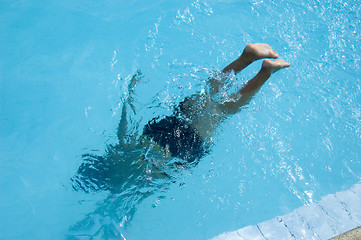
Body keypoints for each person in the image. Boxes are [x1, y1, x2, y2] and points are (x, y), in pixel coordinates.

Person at [72, 43, 290, 193]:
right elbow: (125, 125)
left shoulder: (132, 183)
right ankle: (246, 57)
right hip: (159, 130)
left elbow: (166, 176)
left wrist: (182, 169)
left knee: (225, 110)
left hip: (179, 148)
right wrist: (129, 95)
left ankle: (266, 71)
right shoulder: (122, 150)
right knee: (209, 92)